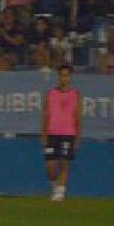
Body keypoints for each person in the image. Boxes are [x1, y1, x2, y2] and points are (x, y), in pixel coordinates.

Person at [41, 64, 83, 201]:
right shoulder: (51, 93)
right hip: (52, 132)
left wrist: (77, 137)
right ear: (58, 77)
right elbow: (46, 114)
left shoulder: (75, 95)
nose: (64, 78)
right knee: (50, 165)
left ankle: (60, 191)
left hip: (68, 133)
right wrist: (43, 133)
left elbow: (78, 117)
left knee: (64, 162)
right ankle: (55, 185)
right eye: (62, 75)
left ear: (70, 77)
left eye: (66, 75)